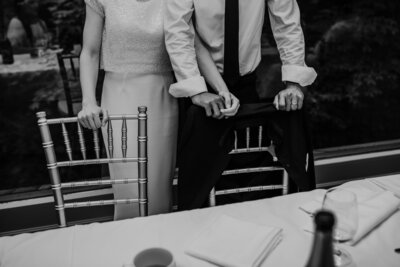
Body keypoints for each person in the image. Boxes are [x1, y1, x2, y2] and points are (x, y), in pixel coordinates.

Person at [165, 0, 318, 210]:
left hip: (247, 88)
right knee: (200, 188)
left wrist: (293, 83)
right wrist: (197, 90)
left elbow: (286, 22)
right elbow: (178, 31)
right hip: (200, 89)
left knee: (251, 184)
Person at [77, 0, 217, 219]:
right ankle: (128, 243)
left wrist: (221, 90)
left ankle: (160, 244)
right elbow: (90, 52)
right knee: (130, 187)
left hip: (163, 94)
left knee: (159, 183)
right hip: (119, 94)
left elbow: (193, 45)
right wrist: (88, 102)